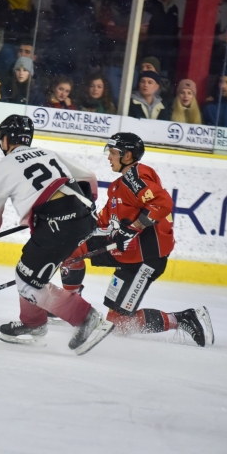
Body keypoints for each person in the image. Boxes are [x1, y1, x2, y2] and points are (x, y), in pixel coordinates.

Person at [0, 115, 113, 354]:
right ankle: (32, 323)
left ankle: (87, 318)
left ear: (4, 139)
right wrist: (78, 208)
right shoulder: (48, 153)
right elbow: (89, 177)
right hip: (83, 217)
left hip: (58, 224)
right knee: (28, 270)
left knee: (28, 281)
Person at [61, 133, 214, 347]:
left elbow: (162, 204)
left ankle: (183, 319)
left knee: (119, 323)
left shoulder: (135, 176)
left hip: (145, 257)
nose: (109, 157)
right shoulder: (118, 186)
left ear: (128, 155)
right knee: (70, 247)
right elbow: (102, 222)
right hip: (125, 250)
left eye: (113, 153)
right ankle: (69, 304)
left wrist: (135, 227)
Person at [99, 0, 148, 103]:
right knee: (113, 98)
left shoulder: (140, 6)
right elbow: (109, 32)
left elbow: (143, 36)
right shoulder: (108, 5)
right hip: (112, 59)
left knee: (128, 99)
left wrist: (118, 29)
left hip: (132, 61)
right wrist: (134, 29)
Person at [48, 0, 98, 82]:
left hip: (79, 58)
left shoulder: (89, 8)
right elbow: (57, 4)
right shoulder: (65, 4)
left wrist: (94, 57)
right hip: (61, 55)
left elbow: (93, 33)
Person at [143, 0, 180, 81]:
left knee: (163, 84)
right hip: (150, 54)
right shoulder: (149, 6)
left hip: (167, 57)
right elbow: (143, 29)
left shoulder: (174, 9)